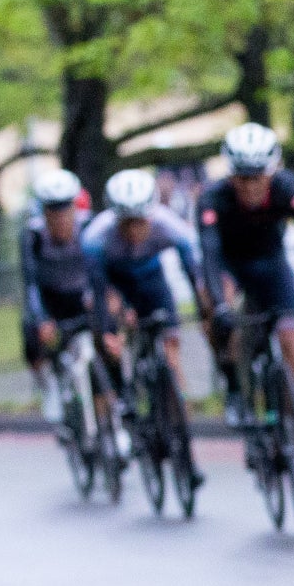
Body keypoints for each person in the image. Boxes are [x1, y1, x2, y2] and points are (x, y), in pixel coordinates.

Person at [198, 123, 294, 500]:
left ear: (271, 171)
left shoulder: (289, 189)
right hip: (229, 266)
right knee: (212, 302)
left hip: (272, 266)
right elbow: (209, 257)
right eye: (242, 178)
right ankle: (230, 379)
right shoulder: (213, 199)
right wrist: (221, 308)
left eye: (258, 177)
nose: (250, 186)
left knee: (292, 345)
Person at [81, 170, 209, 476]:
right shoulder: (96, 238)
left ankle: (184, 447)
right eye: (127, 222)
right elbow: (99, 295)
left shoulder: (170, 226)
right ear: (115, 219)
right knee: (108, 332)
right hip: (116, 283)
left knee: (171, 353)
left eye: (141, 220)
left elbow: (193, 274)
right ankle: (123, 391)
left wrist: (205, 313)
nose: (136, 229)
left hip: (152, 282)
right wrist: (108, 331)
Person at [18, 169, 95, 422]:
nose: (61, 218)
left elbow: (103, 270)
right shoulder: (33, 235)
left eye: (66, 209)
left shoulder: (88, 226)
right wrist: (41, 319)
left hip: (83, 296)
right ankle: (48, 386)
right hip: (50, 300)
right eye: (54, 211)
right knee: (30, 330)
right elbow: (30, 282)